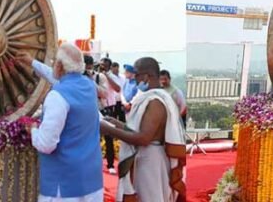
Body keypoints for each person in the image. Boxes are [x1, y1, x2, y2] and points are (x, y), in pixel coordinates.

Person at [20, 43, 104, 202]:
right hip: (91, 180)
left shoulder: (57, 96)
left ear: (59, 65)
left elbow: (46, 144)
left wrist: (32, 129)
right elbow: (58, 78)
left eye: (54, 63)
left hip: (64, 186)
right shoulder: (88, 86)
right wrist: (32, 62)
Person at [101, 57, 186, 201]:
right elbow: (137, 130)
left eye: (137, 75)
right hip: (145, 158)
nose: (134, 78)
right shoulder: (150, 98)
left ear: (146, 76)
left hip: (151, 161)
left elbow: (144, 138)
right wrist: (115, 123)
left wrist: (108, 130)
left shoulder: (155, 102)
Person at [100, 58, 124, 173]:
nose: (102, 67)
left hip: (109, 107)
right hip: (97, 106)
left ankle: (110, 164)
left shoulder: (112, 76)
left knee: (108, 136)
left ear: (109, 66)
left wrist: (107, 75)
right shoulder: (96, 75)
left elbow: (118, 89)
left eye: (104, 65)